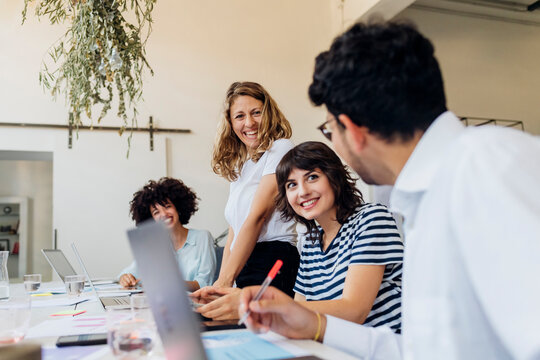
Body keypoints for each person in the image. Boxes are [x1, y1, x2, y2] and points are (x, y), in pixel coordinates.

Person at [239, 20, 540, 359]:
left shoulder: (484, 164)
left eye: (329, 129)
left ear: (351, 129)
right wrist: (316, 325)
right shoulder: (425, 196)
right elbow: (422, 350)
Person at [275, 141, 403, 330]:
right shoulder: (311, 242)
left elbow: (354, 311)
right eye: (291, 185)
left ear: (335, 177)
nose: (302, 192)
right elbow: (300, 311)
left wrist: (273, 307)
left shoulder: (371, 218)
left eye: (312, 177)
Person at [203, 81, 300, 296]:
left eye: (256, 113)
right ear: (230, 122)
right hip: (244, 261)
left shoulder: (280, 147)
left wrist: (225, 281)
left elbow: (257, 217)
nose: (249, 122)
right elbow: (233, 232)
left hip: (273, 256)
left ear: (269, 114)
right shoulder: (243, 167)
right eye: (239, 116)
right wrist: (221, 281)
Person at [118, 177, 216, 292]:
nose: (163, 214)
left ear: (178, 208)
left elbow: (205, 283)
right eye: (156, 212)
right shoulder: (154, 246)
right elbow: (129, 272)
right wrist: (125, 278)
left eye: (168, 206)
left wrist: (172, 284)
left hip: (197, 305)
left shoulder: (203, 238)